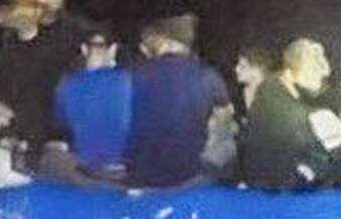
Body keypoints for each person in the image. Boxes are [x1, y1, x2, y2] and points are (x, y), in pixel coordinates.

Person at [242, 39, 341, 188]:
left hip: (292, 176)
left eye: (320, 76)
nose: (319, 82)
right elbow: (307, 125)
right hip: (272, 183)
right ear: (289, 74)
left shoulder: (303, 90)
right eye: (311, 74)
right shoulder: (272, 91)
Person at [125, 13, 233, 187]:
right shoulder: (208, 76)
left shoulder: (136, 74)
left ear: (165, 40)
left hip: (140, 175)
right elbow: (225, 118)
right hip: (189, 176)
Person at [0, 0, 81, 149]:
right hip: (8, 136)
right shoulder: (4, 50)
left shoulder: (59, 48)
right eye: (17, 7)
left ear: (37, 12)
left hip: (48, 138)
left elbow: (55, 97)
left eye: (27, 7)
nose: (22, 13)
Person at [52, 29, 133, 173]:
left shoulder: (66, 84)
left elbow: (61, 124)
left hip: (83, 170)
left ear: (84, 49)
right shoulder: (129, 81)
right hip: (123, 170)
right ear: (113, 49)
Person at [234, 46, 275, 114]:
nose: (236, 69)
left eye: (242, 67)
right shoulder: (238, 94)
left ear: (257, 70)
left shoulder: (273, 95)